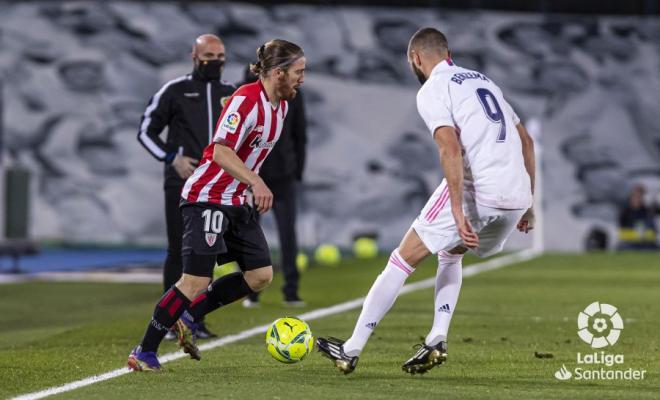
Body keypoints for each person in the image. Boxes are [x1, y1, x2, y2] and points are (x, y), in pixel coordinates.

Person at [316, 27, 535, 375]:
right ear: (447, 53)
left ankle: (351, 347)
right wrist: (530, 205)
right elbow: (527, 142)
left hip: (481, 191)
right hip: (516, 197)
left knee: (401, 260)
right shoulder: (484, 80)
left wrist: (457, 210)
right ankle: (436, 338)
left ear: (416, 58)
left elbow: (448, 147)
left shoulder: (435, 88)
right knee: (451, 252)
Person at [128, 39, 306, 372]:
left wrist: (249, 186)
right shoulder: (244, 99)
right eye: (298, 72)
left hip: (237, 200)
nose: (302, 78)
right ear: (279, 72)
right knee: (194, 280)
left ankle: (190, 316)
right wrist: (256, 181)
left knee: (260, 275)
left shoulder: (281, 106)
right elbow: (221, 151)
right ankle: (145, 350)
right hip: (207, 197)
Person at [137, 34, 236, 339]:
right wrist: (172, 158)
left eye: (220, 57)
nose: (215, 62)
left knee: (205, 254)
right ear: (194, 55)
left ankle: (195, 319)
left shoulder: (231, 94)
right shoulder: (175, 91)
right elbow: (146, 131)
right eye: (209, 56)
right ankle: (167, 323)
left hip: (217, 187)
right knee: (178, 250)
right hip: (181, 184)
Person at [238, 66, 308, 308]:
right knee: (248, 236)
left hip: (283, 177)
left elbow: (300, 135)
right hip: (253, 178)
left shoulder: (292, 94)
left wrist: (296, 172)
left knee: (288, 234)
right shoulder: (245, 92)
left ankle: (291, 290)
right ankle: (251, 292)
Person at [617, 184, 658, 250]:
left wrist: (646, 235)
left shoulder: (647, 212)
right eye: (635, 196)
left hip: (645, 243)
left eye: (640, 197)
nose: (637, 199)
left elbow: (653, 233)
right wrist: (636, 235)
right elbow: (621, 233)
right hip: (629, 243)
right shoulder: (625, 212)